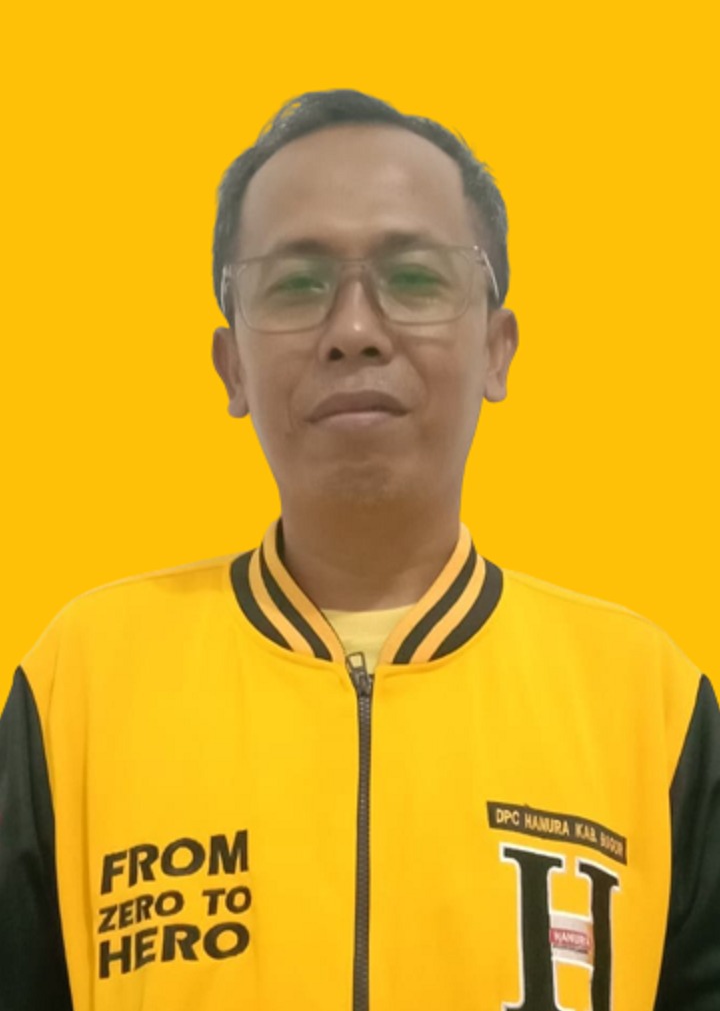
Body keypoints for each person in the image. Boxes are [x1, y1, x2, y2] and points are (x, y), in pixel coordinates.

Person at [0, 89, 718, 1011]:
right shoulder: (83, 682)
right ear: (232, 366)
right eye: (296, 285)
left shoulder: (648, 701)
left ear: (497, 349)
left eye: (414, 278)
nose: (353, 330)